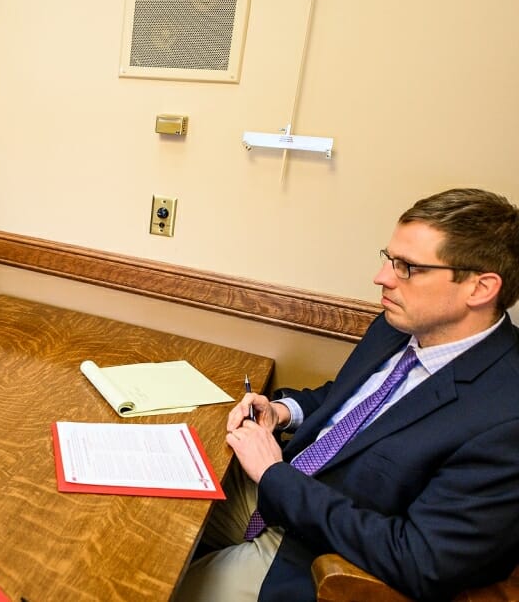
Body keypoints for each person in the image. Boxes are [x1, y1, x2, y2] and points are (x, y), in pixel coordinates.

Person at [175, 188, 519, 601]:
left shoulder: (505, 418)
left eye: (407, 267)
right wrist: (284, 412)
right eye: (389, 259)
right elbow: (347, 400)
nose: (383, 278)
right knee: (137, 512)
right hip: (273, 493)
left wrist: (274, 475)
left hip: (316, 558)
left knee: (153, 587)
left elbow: (418, 559)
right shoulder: (400, 324)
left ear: (480, 288)